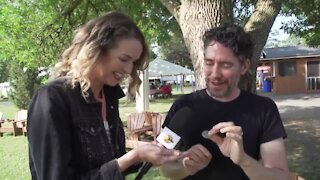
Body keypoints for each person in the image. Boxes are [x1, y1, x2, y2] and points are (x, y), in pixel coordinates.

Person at [27, 11, 182, 180]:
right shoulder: (53, 98)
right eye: (124, 59)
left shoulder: (109, 97)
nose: (129, 70)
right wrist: (133, 157)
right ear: (96, 50)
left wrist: (147, 153)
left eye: (133, 62)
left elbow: (109, 163)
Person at [160, 24, 289, 179]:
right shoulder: (182, 107)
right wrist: (186, 168)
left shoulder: (264, 109)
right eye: (209, 63)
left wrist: (243, 160)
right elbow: (165, 167)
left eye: (225, 65)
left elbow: (280, 176)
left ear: (244, 67)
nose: (215, 74)